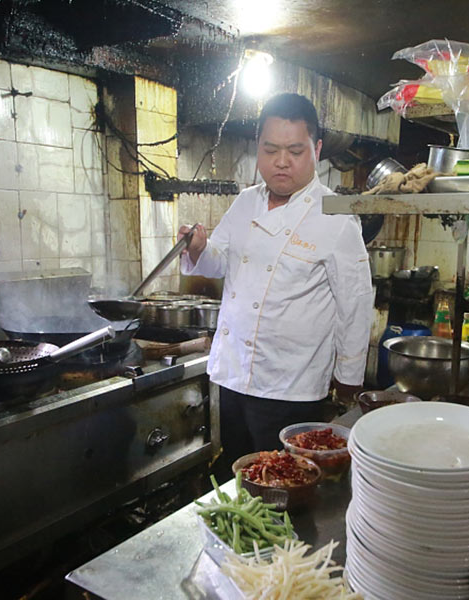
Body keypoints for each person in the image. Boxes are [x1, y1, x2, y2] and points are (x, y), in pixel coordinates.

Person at [178, 92, 373, 477]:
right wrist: (200, 247)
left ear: (316, 150)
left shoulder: (336, 215)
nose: (282, 161)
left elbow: (355, 302)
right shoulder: (245, 202)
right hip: (234, 374)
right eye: (270, 150)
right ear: (258, 148)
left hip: (291, 385)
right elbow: (219, 261)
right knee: (237, 474)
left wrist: (349, 378)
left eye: (295, 151)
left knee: (283, 483)